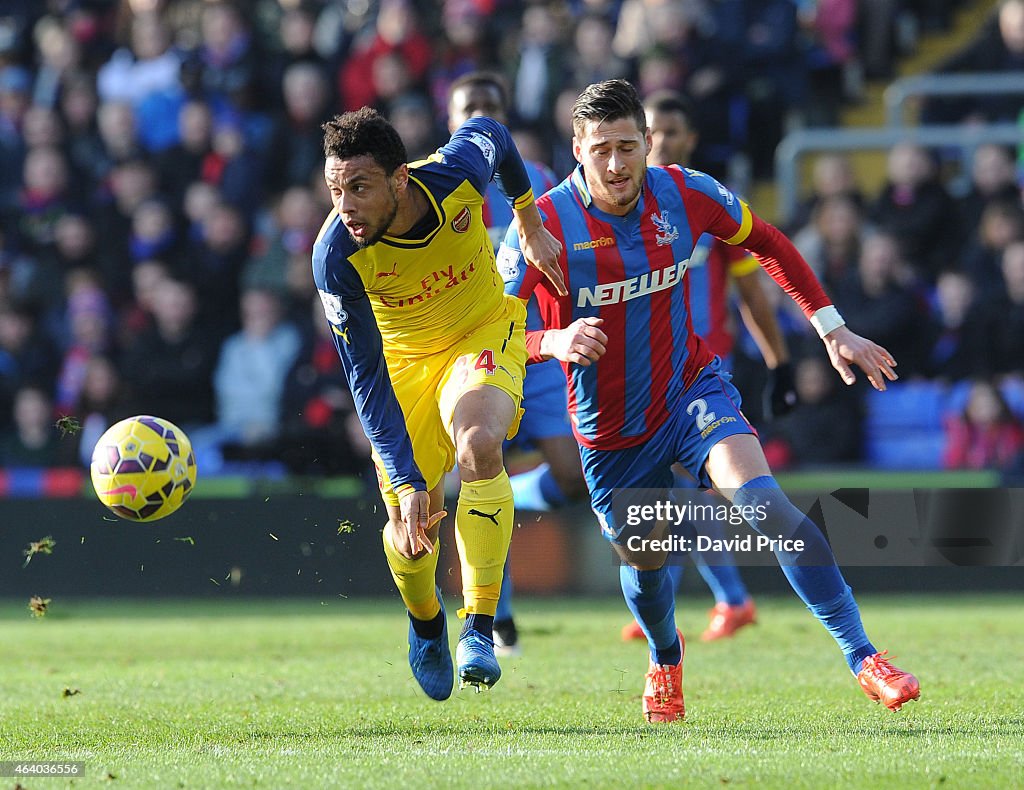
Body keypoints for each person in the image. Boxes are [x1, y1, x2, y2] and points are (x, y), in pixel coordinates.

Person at [499, 79, 919, 722]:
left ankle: (865, 656)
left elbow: (768, 243)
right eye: (602, 149)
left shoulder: (685, 192)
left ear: (647, 144)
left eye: (628, 147)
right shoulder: (544, 226)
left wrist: (831, 328)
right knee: (645, 565)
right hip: (610, 430)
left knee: (764, 506)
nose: (616, 165)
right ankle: (666, 659)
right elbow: (490, 335)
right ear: (577, 149)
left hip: (690, 391)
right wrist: (551, 340)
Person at [312, 107, 560, 700]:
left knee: (480, 445)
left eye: (360, 187)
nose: (345, 205)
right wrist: (403, 475)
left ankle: (478, 626)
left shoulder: (453, 174)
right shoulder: (335, 257)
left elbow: (492, 130)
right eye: (335, 189)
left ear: (399, 179)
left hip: (480, 333)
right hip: (401, 368)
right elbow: (365, 376)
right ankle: (426, 622)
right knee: (409, 525)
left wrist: (526, 216)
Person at [618, 90, 797, 645]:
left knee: (690, 492)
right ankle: (680, 597)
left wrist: (778, 362)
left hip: (702, 369)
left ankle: (730, 599)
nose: (663, 143)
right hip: (639, 372)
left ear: (690, 140)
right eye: (656, 133)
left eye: (674, 133)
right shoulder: (612, 211)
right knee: (674, 495)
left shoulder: (703, 204)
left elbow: (750, 290)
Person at [447, 70, 583, 657]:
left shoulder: (540, 181)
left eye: (489, 106)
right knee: (477, 467)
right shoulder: (435, 186)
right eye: (468, 106)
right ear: (450, 121)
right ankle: (494, 617)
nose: (479, 113)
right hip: (472, 353)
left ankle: (522, 497)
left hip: (540, 349)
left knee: (575, 478)